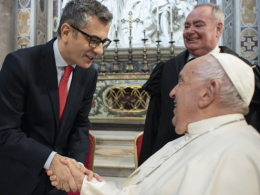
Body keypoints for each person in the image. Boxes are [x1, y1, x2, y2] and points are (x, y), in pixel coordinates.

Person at [49, 53, 260, 195]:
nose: (172, 91)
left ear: (208, 92)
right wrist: (84, 184)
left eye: (182, 82)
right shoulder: (192, 139)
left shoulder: (241, 157)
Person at [0, 0, 112, 194]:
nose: (100, 50)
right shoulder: (20, 64)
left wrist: (75, 167)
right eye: (93, 41)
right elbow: (5, 131)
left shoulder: (88, 73)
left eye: (103, 42)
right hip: (19, 180)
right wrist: (51, 159)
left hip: (59, 184)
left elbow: (80, 125)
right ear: (67, 32)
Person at [138, 3, 260, 165]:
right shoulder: (167, 70)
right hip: (171, 162)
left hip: (223, 162)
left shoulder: (242, 70)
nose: (190, 31)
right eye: (187, 26)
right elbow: (154, 123)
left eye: (198, 25)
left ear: (218, 29)